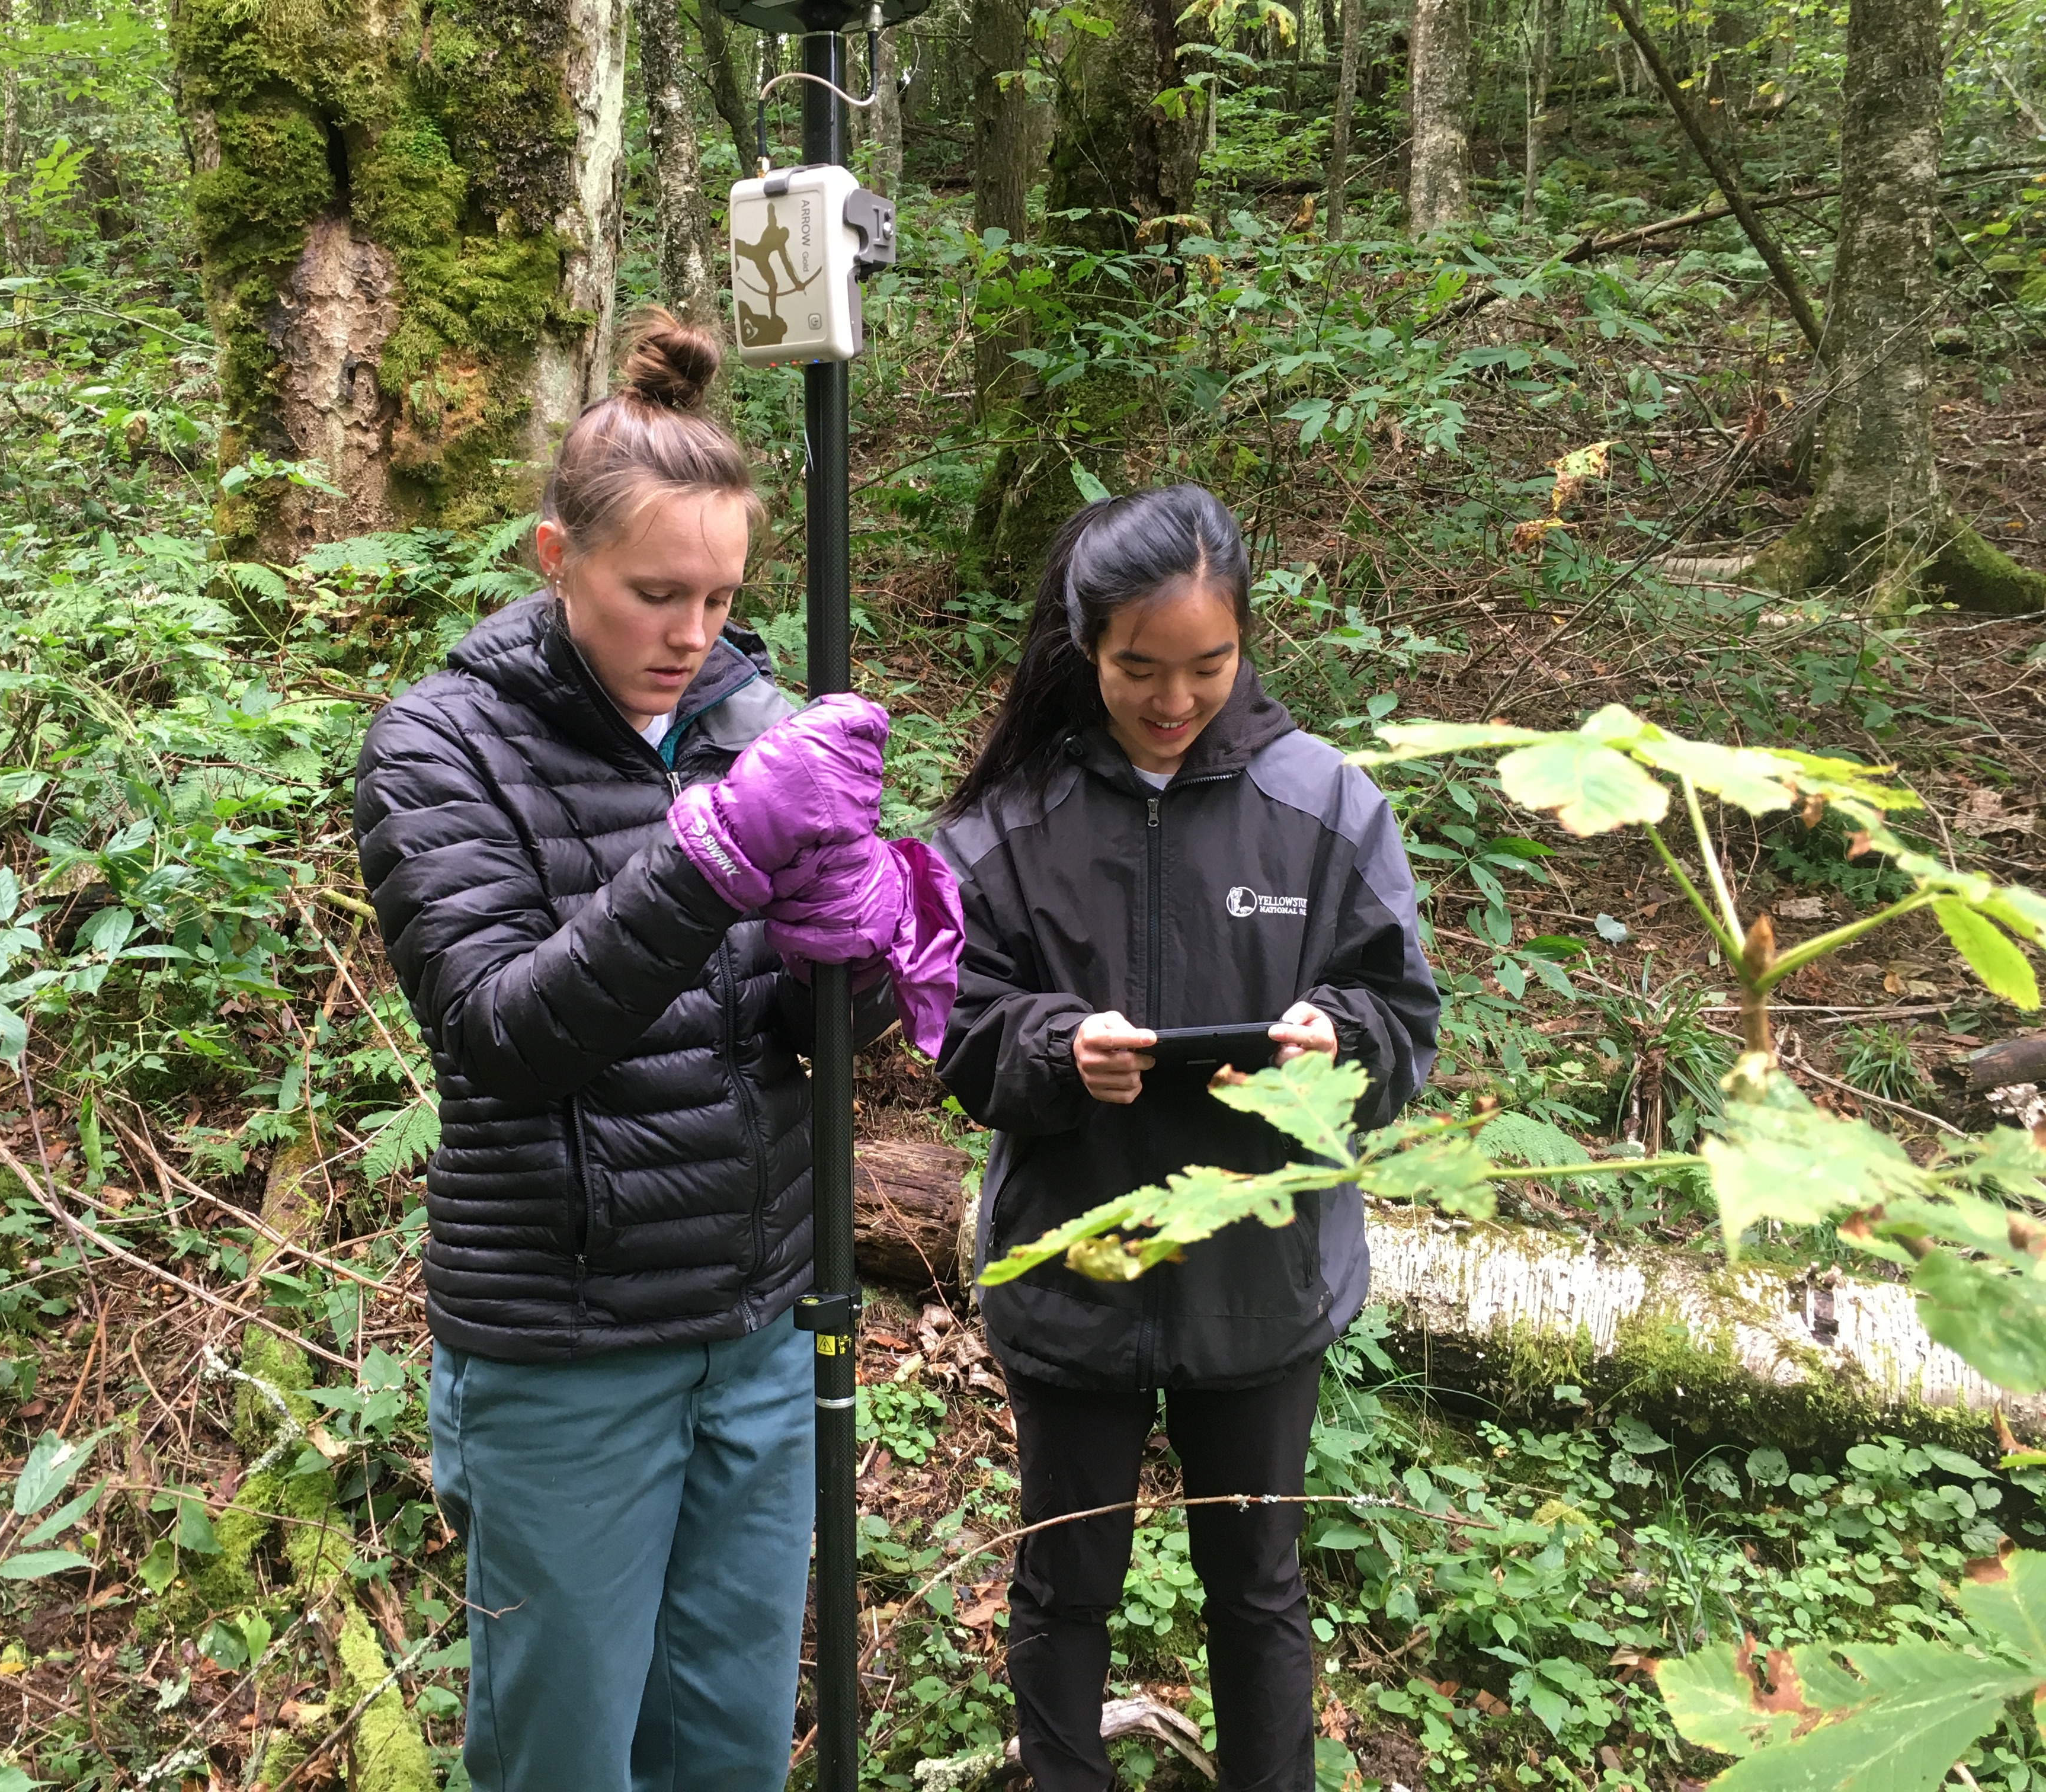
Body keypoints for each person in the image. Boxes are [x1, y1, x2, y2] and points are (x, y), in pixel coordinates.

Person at [353, 309, 958, 1792]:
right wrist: (713, 859)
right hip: (566, 1348)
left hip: (755, 1323)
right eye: (655, 595)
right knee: (564, 1753)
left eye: (723, 597)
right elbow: (502, 1036)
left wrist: (869, 941)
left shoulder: (754, 717)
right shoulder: (438, 747)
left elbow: (795, 1047)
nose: (693, 637)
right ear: (556, 563)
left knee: (732, 1742)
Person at [931, 484, 1438, 1792]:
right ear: (1082, 649)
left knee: (1255, 1584)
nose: (1173, 699)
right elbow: (957, 1024)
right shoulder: (1009, 821)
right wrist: (1054, 1049)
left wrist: (1342, 1043)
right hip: (1074, 1264)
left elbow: (1403, 1018)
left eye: (1207, 667)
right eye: (1137, 669)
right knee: (1067, 1578)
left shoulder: (1325, 806)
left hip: (1258, 1276)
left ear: (1246, 642)